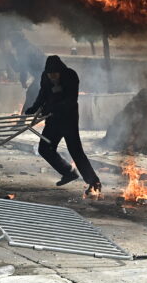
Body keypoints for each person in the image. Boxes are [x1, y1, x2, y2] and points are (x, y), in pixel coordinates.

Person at [25, 55, 101, 195]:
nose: (52, 77)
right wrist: (34, 108)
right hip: (53, 120)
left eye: (55, 74)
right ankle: (68, 172)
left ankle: (94, 182)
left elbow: (71, 100)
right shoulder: (45, 77)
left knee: (75, 151)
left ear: (61, 71)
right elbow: (42, 94)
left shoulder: (70, 75)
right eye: (50, 75)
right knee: (45, 148)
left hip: (68, 119)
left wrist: (52, 108)